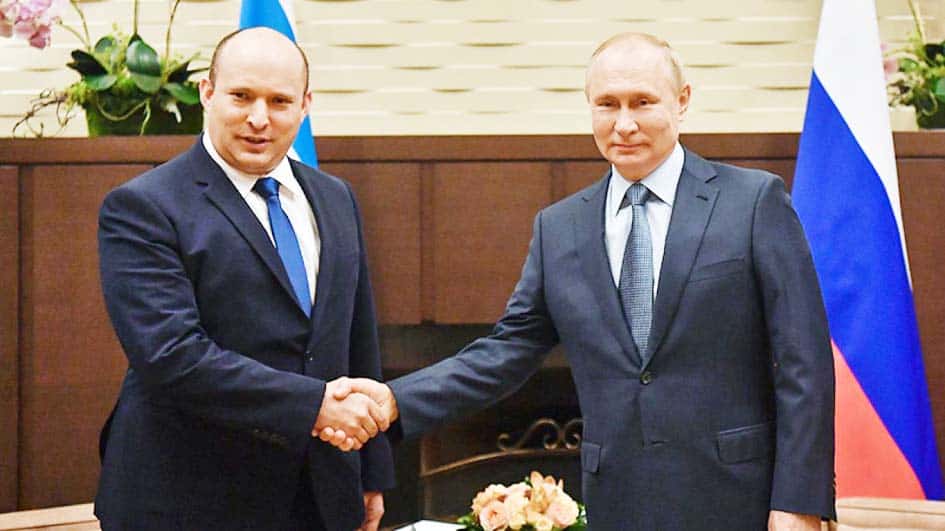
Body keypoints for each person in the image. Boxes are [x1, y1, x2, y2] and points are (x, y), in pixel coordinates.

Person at [324, 33, 836, 530]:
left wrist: (799, 500)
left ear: (682, 101)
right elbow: (504, 353)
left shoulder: (752, 202)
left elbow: (804, 362)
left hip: (738, 499)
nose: (624, 124)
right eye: (607, 104)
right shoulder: (560, 228)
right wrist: (395, 400)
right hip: (619, 501)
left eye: (642, 102)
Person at [94, 27, 394, 531]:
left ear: (305, 106)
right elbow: (172, 356)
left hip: (320, 494)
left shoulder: (336, 197)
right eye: (241, 96)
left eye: (279, 101)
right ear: (207, 93)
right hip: (188, 500)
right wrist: (314, 406)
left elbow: (356, 341)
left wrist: (370, 471)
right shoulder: (143, 206)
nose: (259, 118)